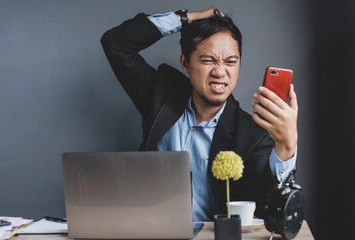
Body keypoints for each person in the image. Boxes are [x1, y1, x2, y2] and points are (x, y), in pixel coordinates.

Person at [101, 8, 298, 221]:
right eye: (208, 60)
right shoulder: (159, 95)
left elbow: (263, 208)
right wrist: (185, 18)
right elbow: (116, 43)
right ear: (185, 63)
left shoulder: (252, 134)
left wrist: (286, 147)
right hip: (149, 231)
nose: (220, 72)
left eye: (230, 62)